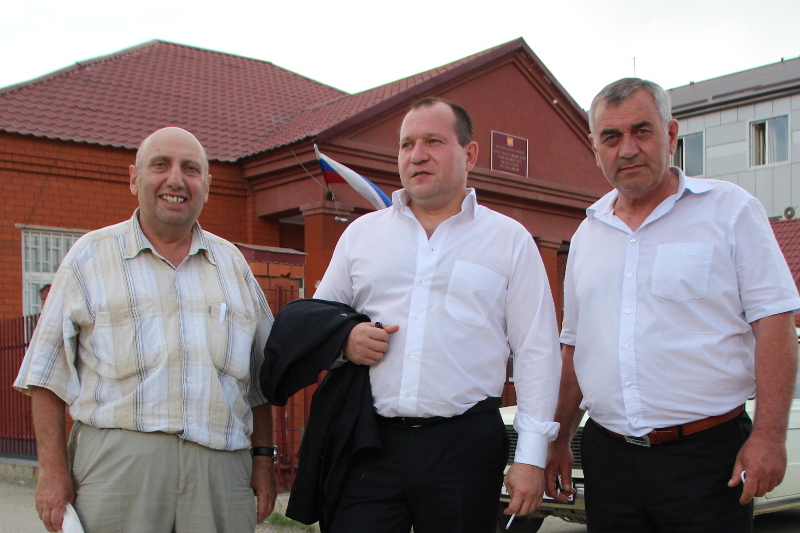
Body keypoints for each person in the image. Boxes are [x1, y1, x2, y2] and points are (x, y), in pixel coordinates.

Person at [544, 78, 800, 532]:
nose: (628, 149)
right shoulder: (588, 235)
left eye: (642, 131)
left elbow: (775, 325)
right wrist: (560, 437)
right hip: (609, 460)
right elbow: (575, 348)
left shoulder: (730, 211)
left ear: (671, 134)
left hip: (707, 458)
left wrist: (768, 436)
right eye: (611, 137)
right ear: (595, 148)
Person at [313, 97, 562, 533]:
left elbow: (537, 351)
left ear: (470, 153)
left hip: (464, 446)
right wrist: (345, 342)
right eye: (406, 144)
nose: (417, 155)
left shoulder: (509, 240)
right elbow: (318, 322)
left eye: (433, 141)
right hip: (369, 442)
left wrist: (530, 456)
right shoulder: (361, 236)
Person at [14, 127, 277, 533]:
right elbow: (46, 375)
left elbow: (260, 381)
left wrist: (263, 460)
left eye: (190, 169)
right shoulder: (89, 257)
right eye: (160, 165)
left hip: (220, 475)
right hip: (118, 471)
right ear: (134, 179)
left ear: (207, 186)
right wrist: (51, 471)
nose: (175, 180)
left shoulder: (233, 265)